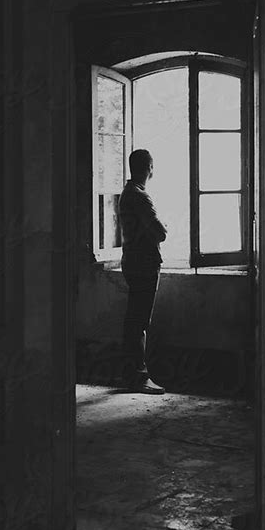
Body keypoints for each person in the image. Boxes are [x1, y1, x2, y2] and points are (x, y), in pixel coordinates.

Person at [118, 149, 167, 394]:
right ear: (149, 167)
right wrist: (164, 227)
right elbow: (159, 232)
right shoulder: (140, 196)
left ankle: (132, 374)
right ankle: (139, 376)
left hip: (132, 261)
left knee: (135, 320)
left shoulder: (127, 194)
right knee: (139, 322)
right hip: (144, 264)